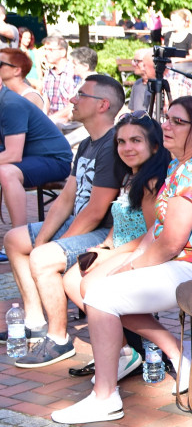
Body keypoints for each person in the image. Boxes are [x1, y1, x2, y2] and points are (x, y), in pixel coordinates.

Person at [51, 97, 192, 423]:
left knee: (101, 294)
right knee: (93, 284)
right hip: (190, 262)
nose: (166, 126)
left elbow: (170, 242)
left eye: (177, 122)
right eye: (167, 118)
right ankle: (167, 356)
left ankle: (106, 396)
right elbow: (159, 227)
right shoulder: (181, 163)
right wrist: (125, 258)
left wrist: (128, 266)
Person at [4, 76, 124, 366]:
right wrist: (43, 239)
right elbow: (65, 199)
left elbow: (96, 212)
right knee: (14, 239)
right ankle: (35, 321)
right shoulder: (86, 145)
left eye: (81, 95)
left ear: (102, 105)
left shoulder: (112, 145)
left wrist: (54, 246)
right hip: (81, 223)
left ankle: (59, 340)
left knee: (43, 258)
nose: (72, 99)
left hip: (105, 233)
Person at [63, 113, 171, 320]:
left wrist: (110, 255)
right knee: (71, 281)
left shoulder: (150, 183)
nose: (127, 147)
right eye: (121, 141)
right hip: (118, 248)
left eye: (136, 140)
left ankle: (155, 343)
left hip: (138, 252)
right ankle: (123, 346)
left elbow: (153, 233)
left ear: (155, 146)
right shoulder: (130, 177)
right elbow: (120, 218)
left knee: (90, 288)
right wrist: (104, 245)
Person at [0, 84, 72, 229]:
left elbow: (13, 154)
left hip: (54, 160)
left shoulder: (11, 104)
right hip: (30, 159)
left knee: (6, 172)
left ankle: (19, 232)